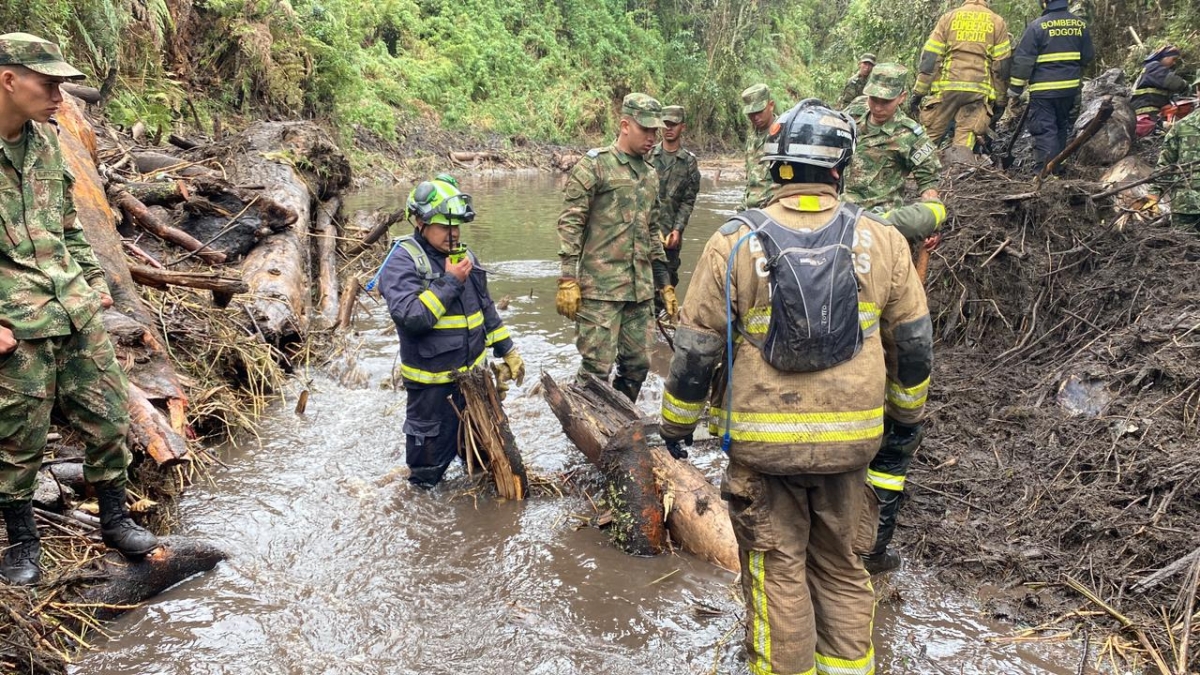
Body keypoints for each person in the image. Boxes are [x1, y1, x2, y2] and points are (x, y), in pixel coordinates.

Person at [659, 100, 934, 675]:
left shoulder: (733, 242)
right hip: (852, 447)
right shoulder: (883, 240)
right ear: (840, 167)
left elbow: (696, 349)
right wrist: (904, 422)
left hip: (764, 451)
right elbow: (912, 345)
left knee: (777, 570)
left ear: (776, 166)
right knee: (843, 567)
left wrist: (676, 427)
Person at [0, 33, 159, 585]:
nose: (60, 97)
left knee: (108, 415)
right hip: (16, 323)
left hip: (74, 307)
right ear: (8, 80)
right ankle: (23, 543)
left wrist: (93, 283)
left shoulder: (46, 143)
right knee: (17, 437)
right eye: (49, 84)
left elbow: (68, 227)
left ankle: (115, 520)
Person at [377, 178, 524, 488]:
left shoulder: (465, 257)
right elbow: (412, 318)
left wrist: (508, 350)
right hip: (432, 396)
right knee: (426, 481)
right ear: (420, 223)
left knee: (487, 467)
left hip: (475, 386)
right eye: (444, 225)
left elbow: (485, 309)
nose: (453, 233)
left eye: (456, 225)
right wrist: (451, 282)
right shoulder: (402, 261)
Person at [554, 93, 675, 403]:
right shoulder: (595, 165)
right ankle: (581, 422)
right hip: (601, 290)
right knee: (596, 368)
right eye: (645, 130)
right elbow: (571, 222)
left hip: (639, 291)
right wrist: (567, 279)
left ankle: (618, 418)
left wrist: (664, 284)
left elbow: (652, 230)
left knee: (638, 365)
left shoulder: (650, 175)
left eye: (655, 131)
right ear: (624, 125)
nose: (652, 138)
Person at [912, 0, 1011, 157]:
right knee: (965, 138)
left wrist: (919, 91)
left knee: (930, 136)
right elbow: (1001, 67)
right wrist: (1001, 100)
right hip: (977, 92)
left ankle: (916, 165)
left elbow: (931, 58)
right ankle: (959, 167)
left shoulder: (949, 18)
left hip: (947, 89)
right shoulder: (997, 22)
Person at [844, 63, 943, 215]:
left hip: (877, 217)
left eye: (886, 101)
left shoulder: (910, 136)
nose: (878, 107)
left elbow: (928, 181)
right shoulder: (854, 112)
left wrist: (930, 216)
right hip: (839, 211)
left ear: (902, 97)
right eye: (874, 99)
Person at [1008, 0, 1094, 173]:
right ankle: (1057, 167)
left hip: (1044, 90)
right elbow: (1087, 57)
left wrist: (1015, 89)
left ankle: (1045, 172)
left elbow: (1023, 61)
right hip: (1070, 89)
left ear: (1045, 2)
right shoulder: (1080, 24)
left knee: (1045, 129)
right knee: (1061, 126)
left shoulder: (1036, 27)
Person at [648, 105, 701, 290]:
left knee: (666, 284)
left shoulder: (688, 162)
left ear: (682, 127)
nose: (668, 128)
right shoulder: (648, 155)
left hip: (670, 237)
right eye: (665, 124)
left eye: (674, 124)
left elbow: (688, 201)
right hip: (645, 233)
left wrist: (678, 229)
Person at [1154, 74, 1200, 230]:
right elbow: (1166, 163)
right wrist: (1153, 193)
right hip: (1185, 207)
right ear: (1197, 91)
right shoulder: (1182, 126)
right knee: (1183, 245)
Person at [1130, 45, 1189, 136]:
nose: (1174, 63)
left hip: (1148, 111)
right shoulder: (1154, 67)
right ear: (1164, 57)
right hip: (1146, 111)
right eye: (1173, 59)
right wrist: (1186, 85)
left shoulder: (1152, 69)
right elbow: (1174, 82)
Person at [739, 83, 776, 211]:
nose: (755, 117)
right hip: (751, 209)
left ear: (771, 105)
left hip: (772, 209)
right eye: (751, 113)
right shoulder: (752, 139)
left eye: (759, 111)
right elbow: (750, 180)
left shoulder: (781, 135)